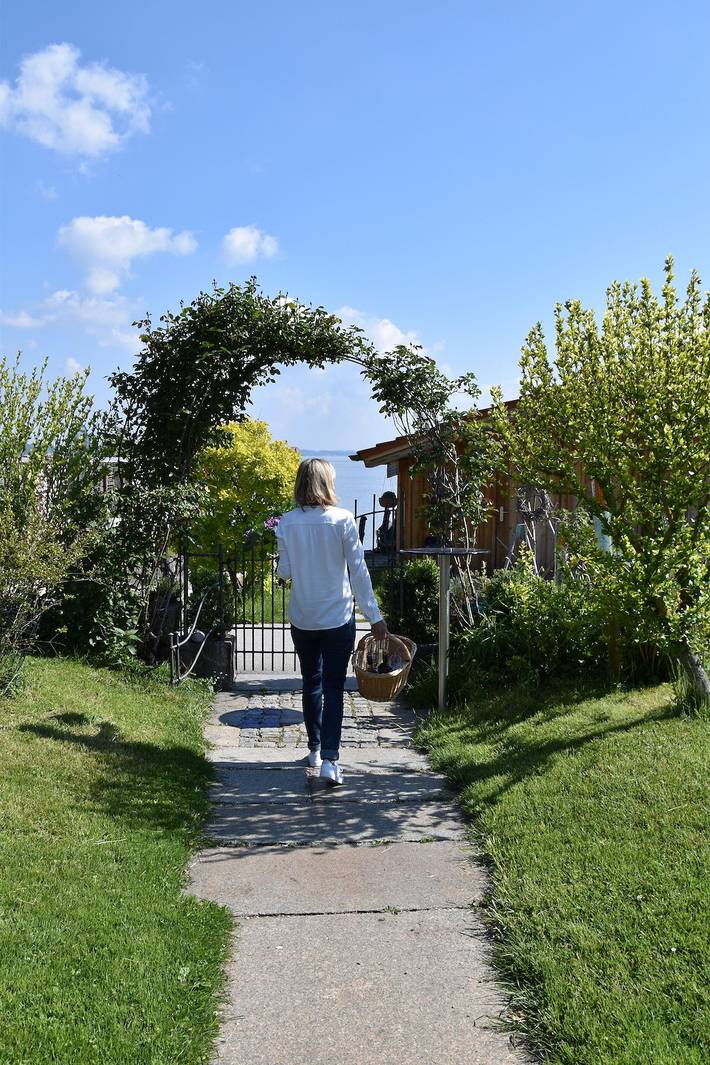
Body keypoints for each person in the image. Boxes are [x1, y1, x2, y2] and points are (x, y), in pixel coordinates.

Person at [276, 458, 388, 785]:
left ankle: (313, 748)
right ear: (327, 483)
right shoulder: (343, 520)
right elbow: (359, 572)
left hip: (303, 616)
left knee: (310, 680)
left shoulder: (287, 522)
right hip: (338, 617)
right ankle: (329, 760)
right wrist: (374, 616)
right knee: (334, 687)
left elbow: (285, 572)